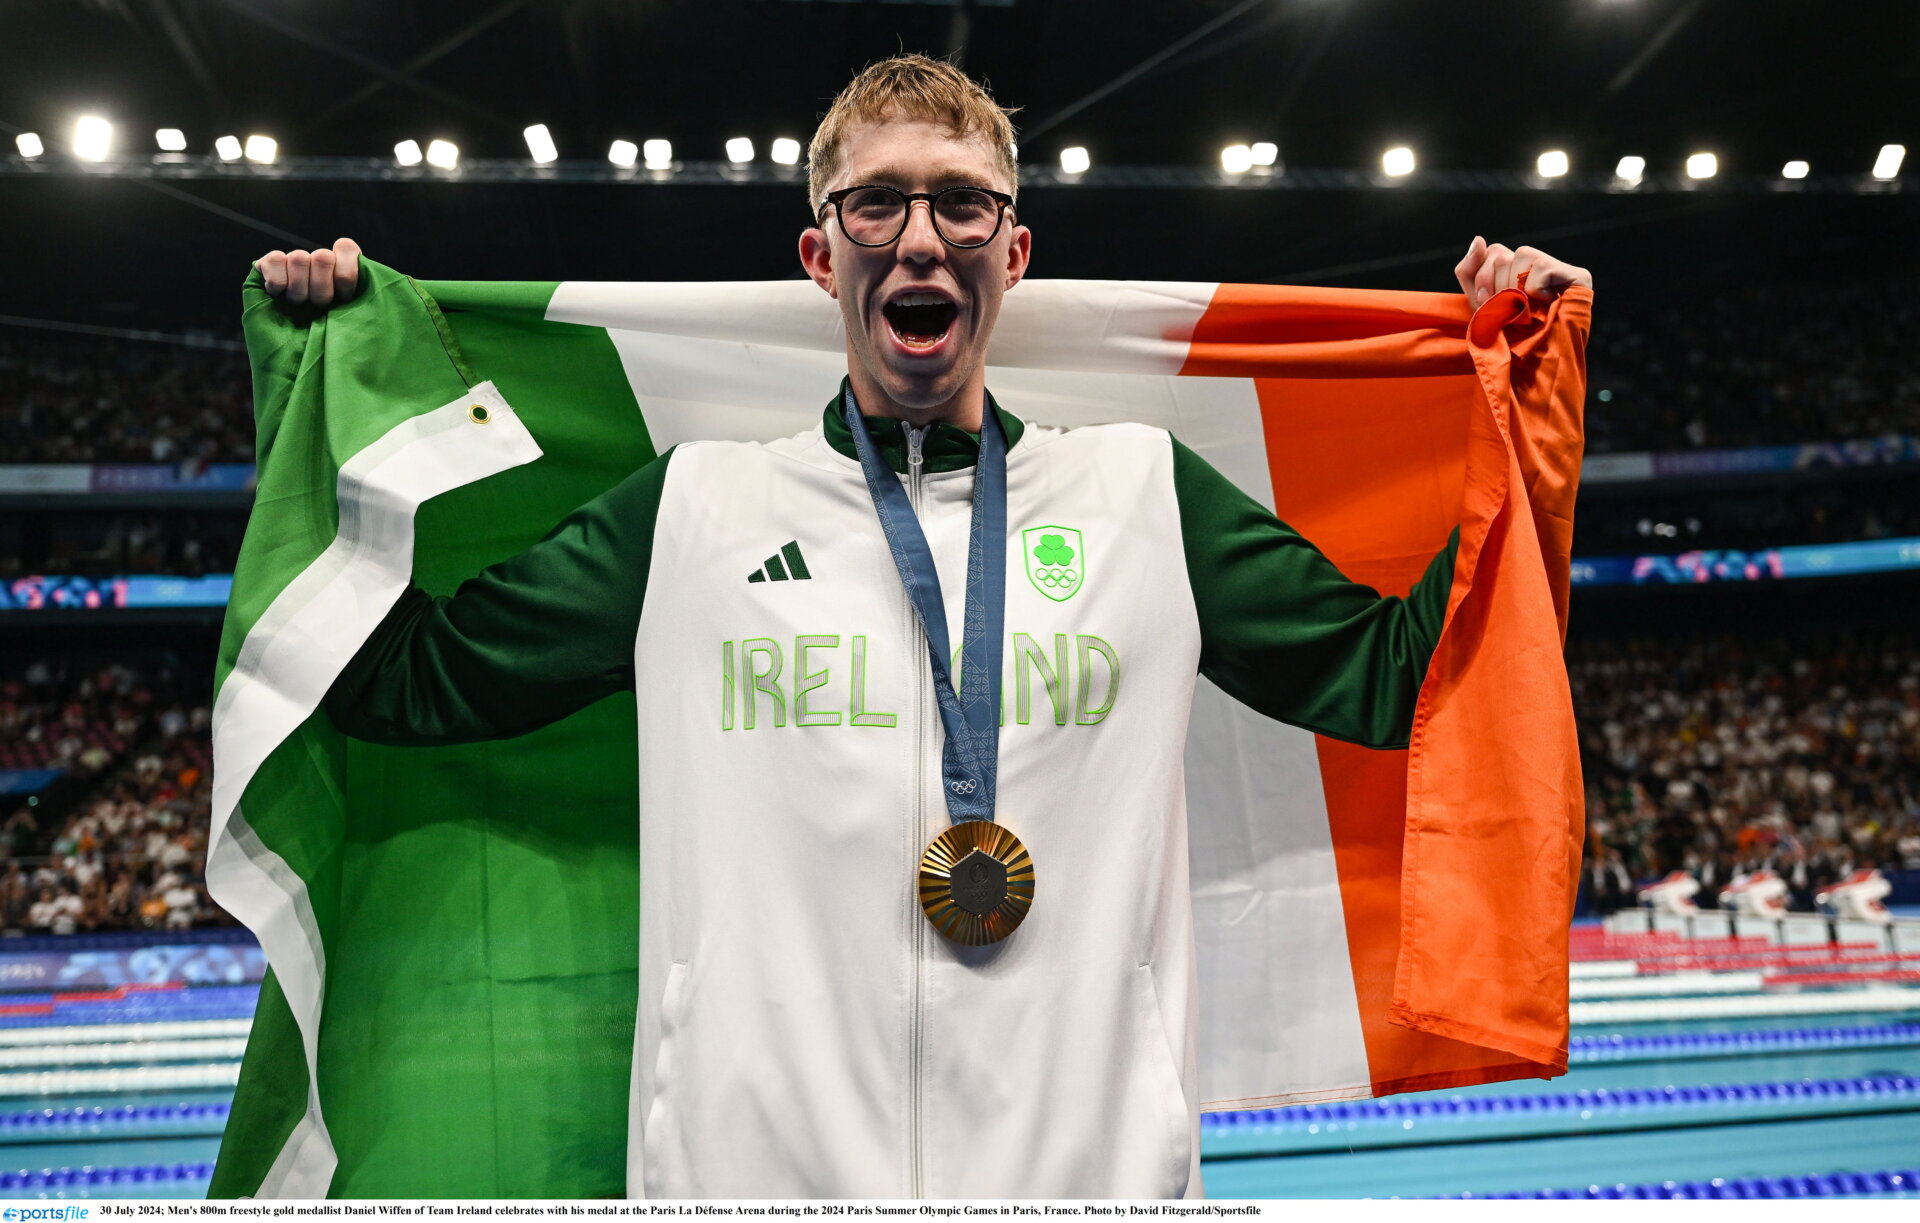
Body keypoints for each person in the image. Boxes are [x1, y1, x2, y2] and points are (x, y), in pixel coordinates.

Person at [254, 56, 1590, 1200]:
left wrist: (1523, 411)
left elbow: (1413, 684)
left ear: (1012, 252)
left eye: (962, 202)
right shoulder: (693, 512)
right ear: (819, 252)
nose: (919, 235)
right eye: (876, 201)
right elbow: (404, 684)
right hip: (749, 1187)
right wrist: (316, 387)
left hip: (1091, 1184)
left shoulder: (1142, 496)